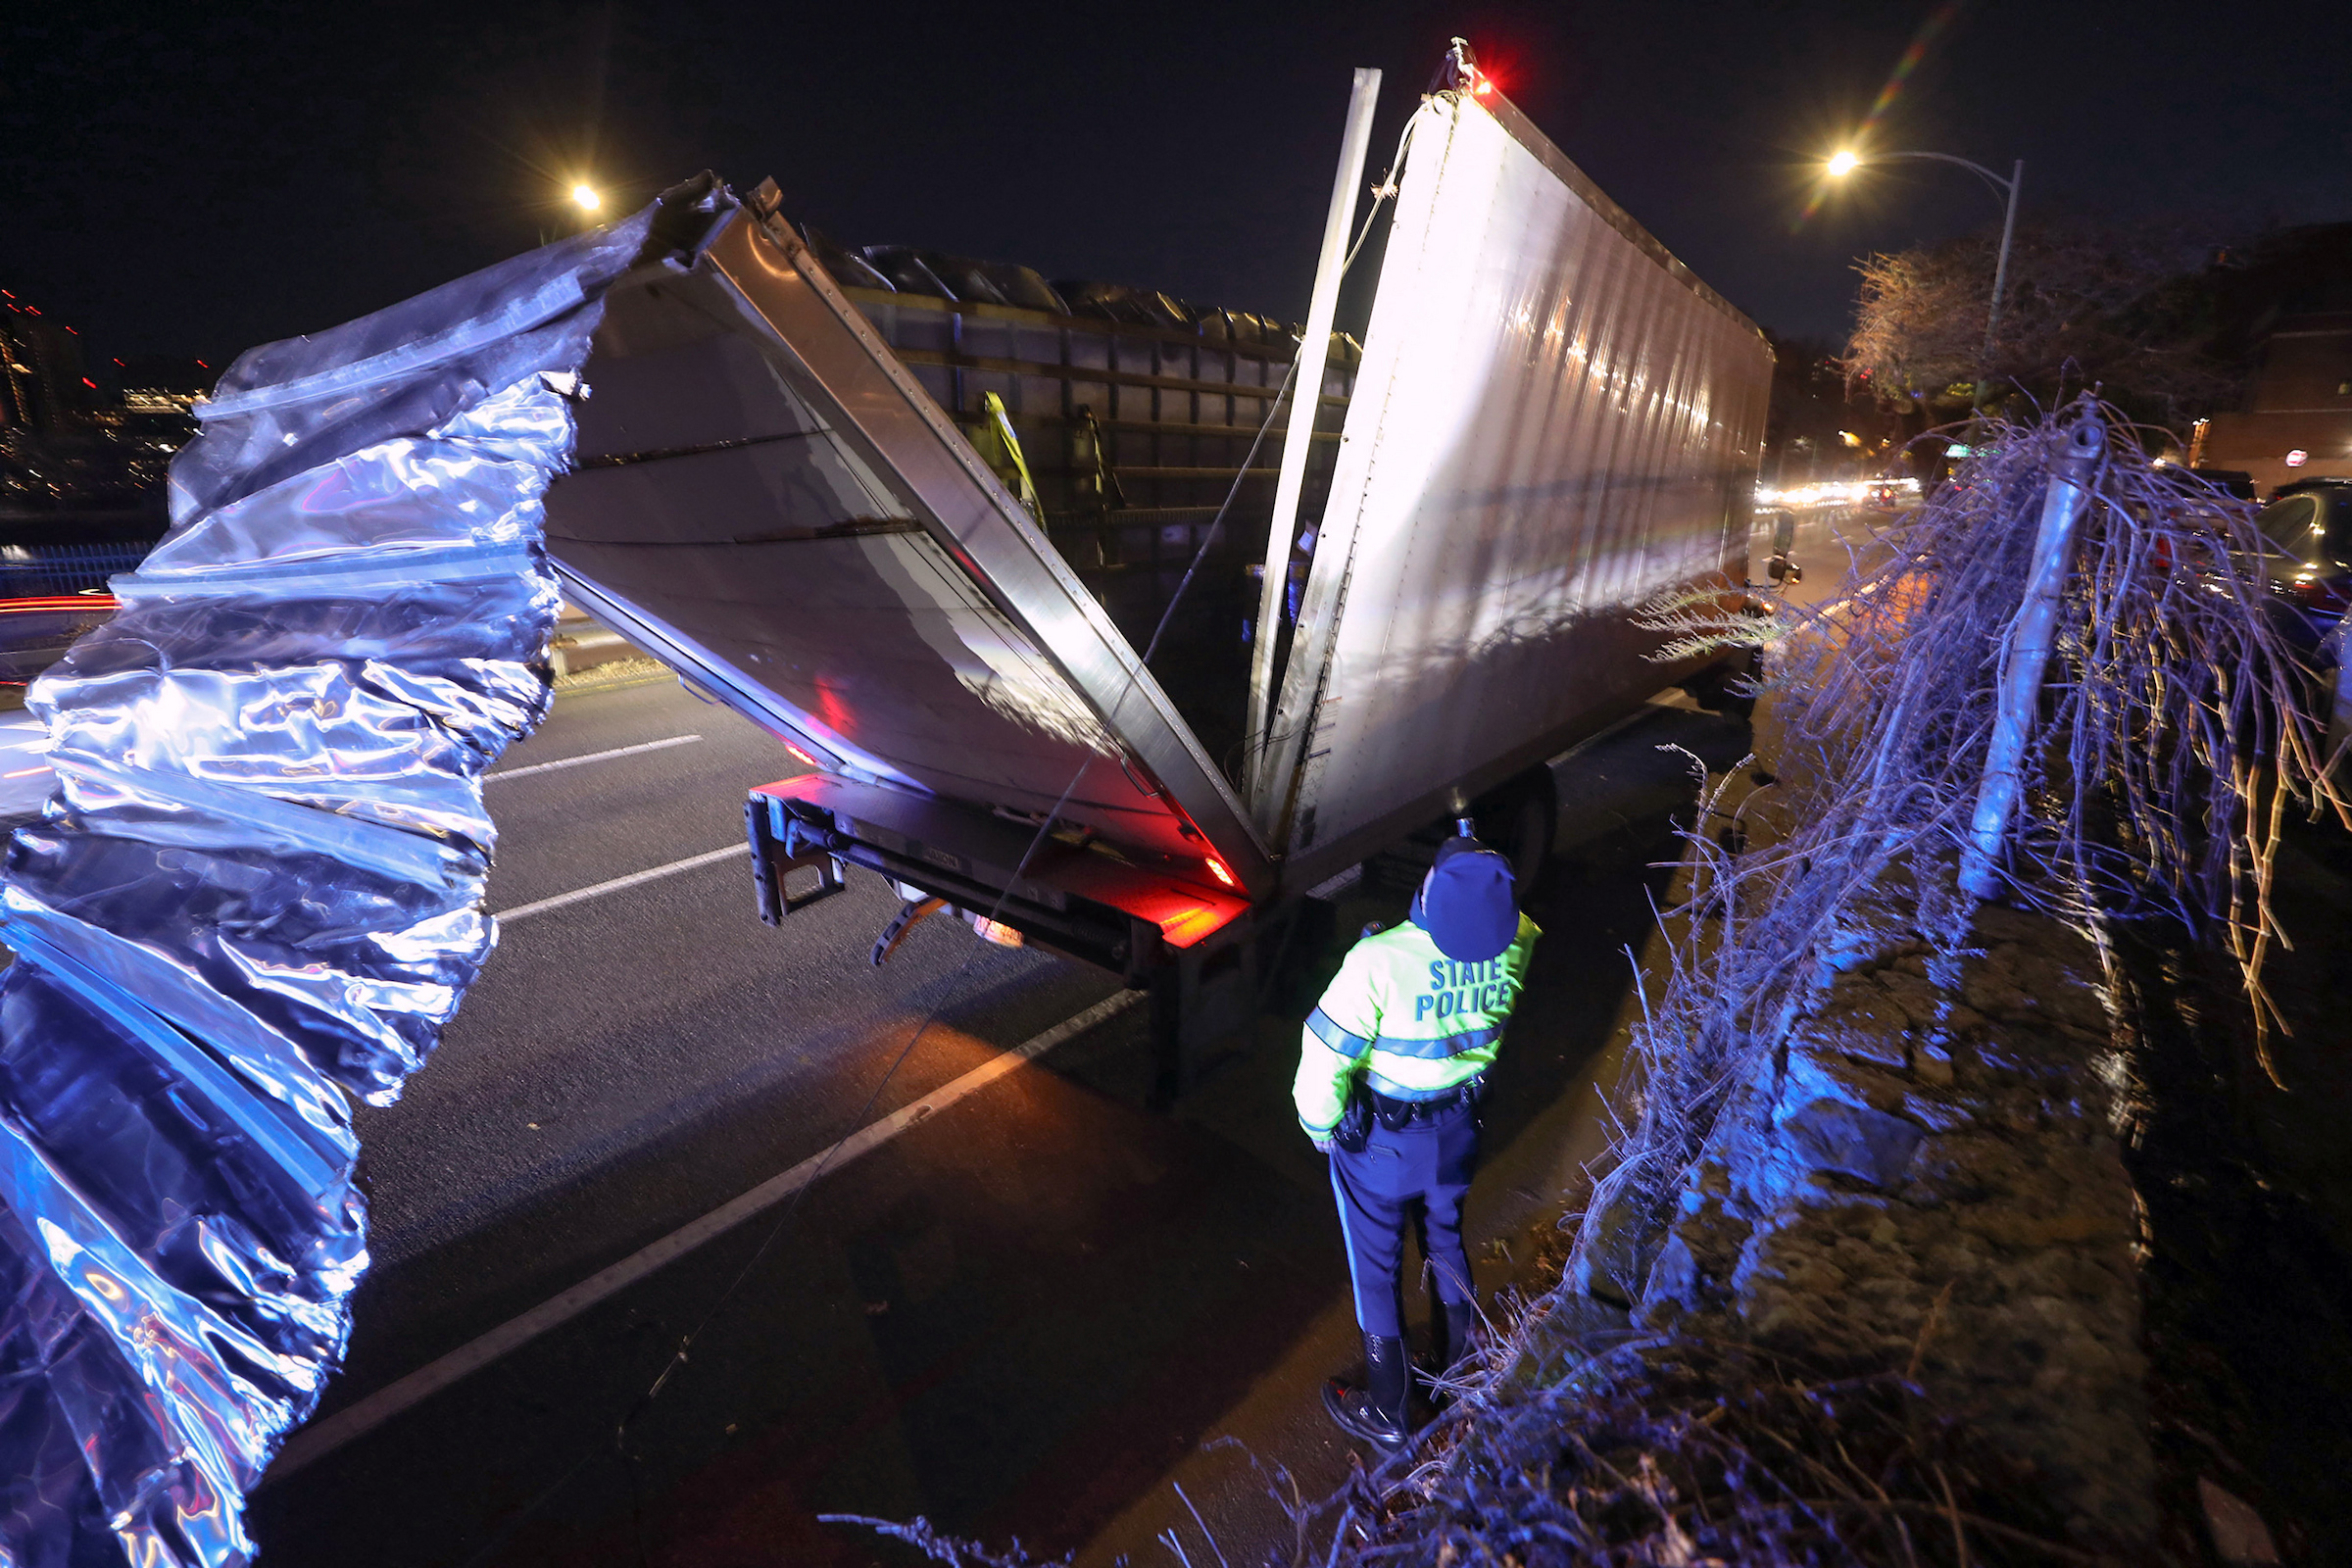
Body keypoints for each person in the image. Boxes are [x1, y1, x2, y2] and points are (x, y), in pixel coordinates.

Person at [1296, 825, 1540, 1452]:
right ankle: (1459, 1375)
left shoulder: (1378, 962)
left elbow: (1323, 1059)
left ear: (1430, 889)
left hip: (1382, 1142)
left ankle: (1392, 1410)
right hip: (1458, 1129)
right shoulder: (1521, 939)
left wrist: (1321, 1125)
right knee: (1446, 1238)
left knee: (1376, 1268)